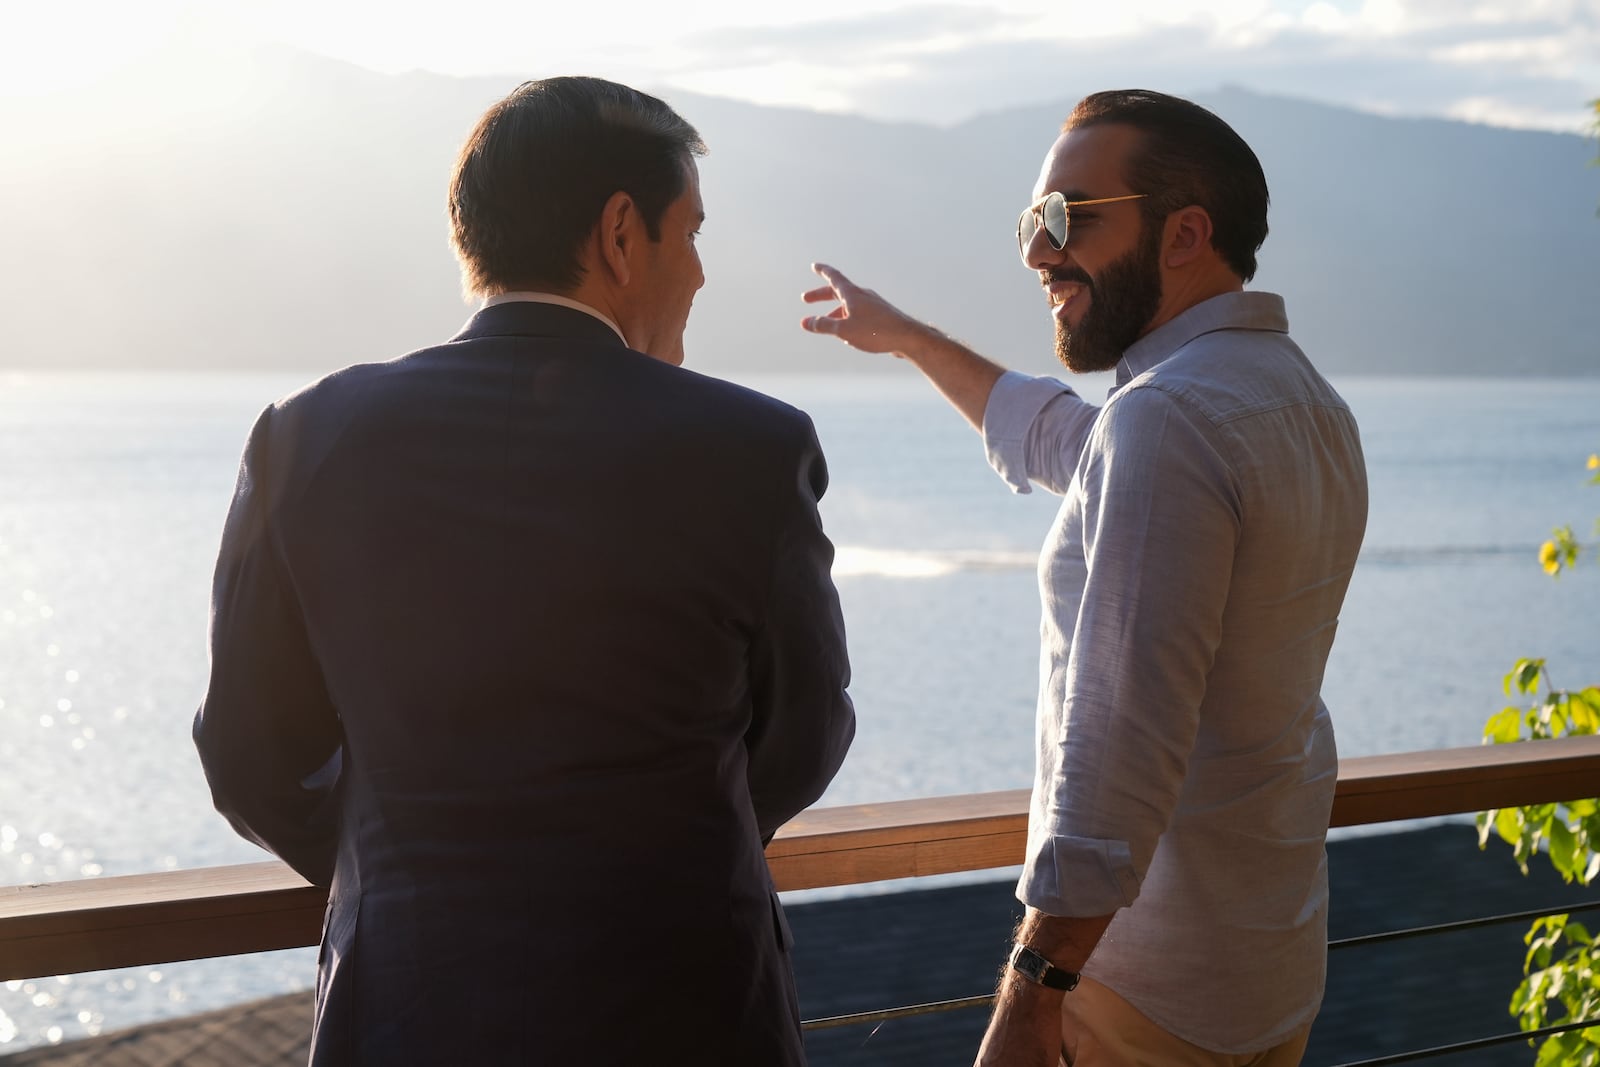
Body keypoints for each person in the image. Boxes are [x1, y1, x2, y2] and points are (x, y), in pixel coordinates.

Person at [193, 76, 855, 1067]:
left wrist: (409, 861)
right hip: (684, 1007)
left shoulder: (308, 436)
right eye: (692, 233)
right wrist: (659, 842)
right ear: (621, 233)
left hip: (407, 1006)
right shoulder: (749, 447)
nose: (703, 274)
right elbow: (806, 728)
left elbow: (246, 748)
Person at [801, 89, 1367, 1066]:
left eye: (1065, 217)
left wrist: (1030, 993)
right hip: (1266, 961)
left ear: (1186, 232)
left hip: (1144, 985)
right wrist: (909, 337)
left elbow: (1118, 740)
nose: (1035, 251)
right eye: (1031, 220)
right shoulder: (1301, 398)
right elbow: (1071, 440)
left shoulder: (1169, 420)